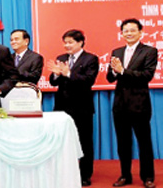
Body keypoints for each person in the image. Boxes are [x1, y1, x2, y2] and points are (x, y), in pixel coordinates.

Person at [107, 18, 157, 188]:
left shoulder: (149, 51)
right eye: (125, 31)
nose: (128, 33)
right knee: (123, 143)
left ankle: (148, 177)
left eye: (132, 30)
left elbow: (146, 76)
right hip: (120, 104)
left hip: (139, 104)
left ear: (140, 32)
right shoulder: (117, 51)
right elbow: (109, 78)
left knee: (144, 142)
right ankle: (125, 175)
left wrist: (123, 71)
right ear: (121, 34)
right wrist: (115, 72)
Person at [47, 29, 99, 187]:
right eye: (65, 42)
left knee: (84, 141)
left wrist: (68, 73)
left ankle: (84, 175)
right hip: (62, 106)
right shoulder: (61, 58)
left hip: (82, 107)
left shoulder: (91, 59)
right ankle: (61, 172)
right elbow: (53, 82)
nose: (66, 45)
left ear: (80, 42)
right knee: (59, 140)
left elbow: (88, 81)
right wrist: (56, 75)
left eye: (70, 42)